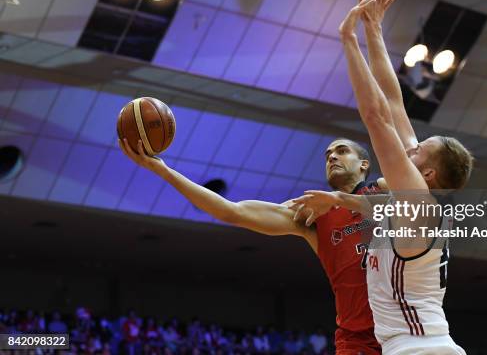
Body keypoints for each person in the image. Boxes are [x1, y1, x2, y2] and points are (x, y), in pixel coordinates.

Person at [294, 0, 473, 354]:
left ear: (427, 174)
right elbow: (393, 104)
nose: (410, 146)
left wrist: (348, 40)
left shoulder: (416, 198)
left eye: (419, 149)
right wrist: (374, 28)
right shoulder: (416, 201)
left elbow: (375, 117)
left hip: (415, 348)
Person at [118, 135, 383, 354]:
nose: (332, 157)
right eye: (327, 155)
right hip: (357, 338)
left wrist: (343, 199)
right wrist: (164, 171)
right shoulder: (312, 213)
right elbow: (230, 212)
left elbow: (422, 203)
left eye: (341, 151)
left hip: (406, 324)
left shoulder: (385, 192)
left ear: (363, 164)